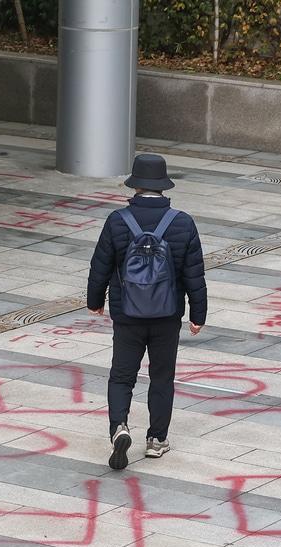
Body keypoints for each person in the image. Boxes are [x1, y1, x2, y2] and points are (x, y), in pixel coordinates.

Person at [87, 153, 207, 470]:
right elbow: (194, 273)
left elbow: (99, 264)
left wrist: (94, 299)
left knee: (122, 375)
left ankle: (119, 428)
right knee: (162, 376)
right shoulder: (182, 223)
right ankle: (156, 440)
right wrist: (198, 314)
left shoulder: (117, 221)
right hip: (167, 314)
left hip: (127, 312)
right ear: (163, 187)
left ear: (135, 186)